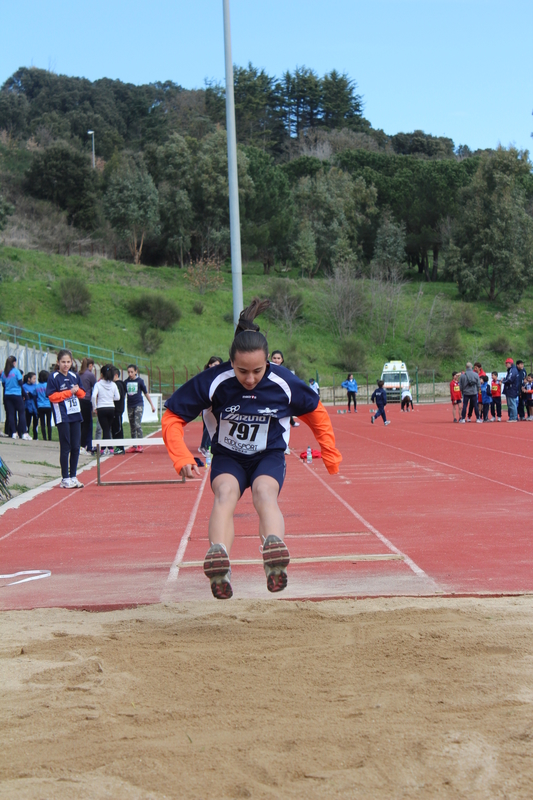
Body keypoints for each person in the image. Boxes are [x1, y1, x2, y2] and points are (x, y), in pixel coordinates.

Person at [162, 299, 342, 600]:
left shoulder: (283, 382)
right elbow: (173, 415)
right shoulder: (214, 381)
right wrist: (180, 456)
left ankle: (274, 559)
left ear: (268, 362)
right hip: (228, 456)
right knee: (225, 494)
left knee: (264, 493)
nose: (249, 379)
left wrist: (330, 453)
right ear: (230, 363)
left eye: (257, 371)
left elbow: (316, 413)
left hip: (267, 455)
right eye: (242, 371)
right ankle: (219, 562)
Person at [46, 349, 85, 488]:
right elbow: (51, 396)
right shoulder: (54, 377)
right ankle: (65, 478)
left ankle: (73, 476)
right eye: (63, 362)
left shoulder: (74, 375)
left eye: (68, 362)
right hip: (62, 415)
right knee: (66, 446)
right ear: (58, 362)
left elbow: (82, 393)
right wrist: (69, 392)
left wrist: (76, 391)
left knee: (76, 446)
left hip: (75, 414)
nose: (66, 365)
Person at [124, 364, 156, 453]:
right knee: (132, 426)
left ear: (135, 372)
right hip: (129, 405)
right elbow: (123, 395)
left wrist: (152, 405)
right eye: (128, 372)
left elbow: (146, 393)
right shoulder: (126, 382)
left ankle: (140, 445)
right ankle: (134, 445)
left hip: (138, 404)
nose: (130, 374)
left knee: (137, 424)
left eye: (132, 372)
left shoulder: (140, 381)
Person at [198, 356, 224, 456]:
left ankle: (209, 445)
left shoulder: (220, 376)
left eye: (218, 365)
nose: (216, 367)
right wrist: (200, 407)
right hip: (207, 404)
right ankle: (203, 446)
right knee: (207, 426)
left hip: (216, 404)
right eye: (214, 365)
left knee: (214, 425)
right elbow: (202, 391)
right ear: (210, 365)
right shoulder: (205, 376)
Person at [92, 364, 120, 453]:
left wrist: (94, 407)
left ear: (101, 374)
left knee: (105, 429)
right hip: (111, 408)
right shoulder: (113, 385)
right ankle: (105, 448)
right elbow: (118, 397)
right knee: (107, 428)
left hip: (101, 408)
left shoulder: (98, 384)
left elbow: (93, 396)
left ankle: (108, 448)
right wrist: (110, 398)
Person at [1, 356, 31, 440]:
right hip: (17, 394)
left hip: (7, 394)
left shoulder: (4, 373)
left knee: (11, 414)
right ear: (14, 362)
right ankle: (24, 433)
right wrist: (25, 395)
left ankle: (14, 433)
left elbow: (3, 384)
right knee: (21, 413)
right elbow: (20, 383)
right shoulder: (16, 371)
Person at [270, 351, 299, 426]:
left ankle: (291, 422)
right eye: (274, 358)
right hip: (271, 392)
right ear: (271, 358)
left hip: (282, 393)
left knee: (288, 407)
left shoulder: (285, 371)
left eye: (278, 358)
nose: (276, 360)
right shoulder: (268, 369)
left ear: (282, 360)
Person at [79, 357, 96, 453]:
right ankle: (85, 445)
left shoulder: (78, 374)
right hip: (86, 399)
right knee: (87, 424)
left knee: (80, 423)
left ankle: (80, 444)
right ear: (90, 365)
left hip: (78, 400)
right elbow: (95, 385)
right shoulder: (90, 375)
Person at [112, 367, 126, 454]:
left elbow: (118, 397)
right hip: (116, 409)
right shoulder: (117, 384)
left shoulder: (119, 385)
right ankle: (117, 446)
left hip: (117, 410)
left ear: (116, 375)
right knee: (114, 428)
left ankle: (120, 447)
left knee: (118, 429)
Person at [36, 370, 53, 440]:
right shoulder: (49, 385)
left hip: (40, 406)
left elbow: (35, 395)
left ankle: (44, 437)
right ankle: (49, 437)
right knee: (49, 422)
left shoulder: (37, 386)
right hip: (48, 405)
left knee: (42, 423)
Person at [502, 358, 520, 422]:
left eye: (506, 363)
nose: (505, 365)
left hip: (511, 389)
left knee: (512, 403)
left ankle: (514, 417)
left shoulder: (513, 370)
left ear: (510, 363)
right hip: (510, 389)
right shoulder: (511, 370)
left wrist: (503, 381)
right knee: (510, 404)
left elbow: (510, 379)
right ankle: (512, 416)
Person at [22, 372, 39, 439]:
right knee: (27, 421)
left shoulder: (36, 386)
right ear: (29, 379)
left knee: (35, 423)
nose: (35, 380)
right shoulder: (24, 386)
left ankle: (35, 436)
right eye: (34, 378)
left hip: (35, 406)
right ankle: (26, 433)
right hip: (27, 406)